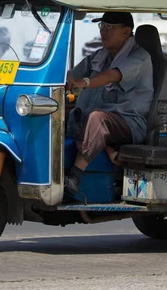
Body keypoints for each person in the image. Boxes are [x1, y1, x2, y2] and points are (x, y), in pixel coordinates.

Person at [64, 12, 154, 198]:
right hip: (98, 117)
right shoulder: (100, 56)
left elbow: (113, 76)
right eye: (102, 26)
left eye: (110, 27)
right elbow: (72, 74)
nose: (103, 31)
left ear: (126, 31)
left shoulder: (140, 58)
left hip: (129, 122)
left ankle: (75, 175)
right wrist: (65, 80)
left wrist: (85, 82)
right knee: (61, 112)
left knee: (98, 118)